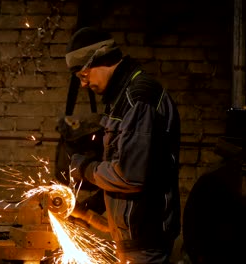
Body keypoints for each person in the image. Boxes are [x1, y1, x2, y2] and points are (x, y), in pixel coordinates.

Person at [65, 27, 181, 264]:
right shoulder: (120, 97)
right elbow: (125, 160)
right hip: (134, 237)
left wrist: (85, 168)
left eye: (84, 76)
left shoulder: (138, 99)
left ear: (100, 60)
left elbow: (130, 176)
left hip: (146, 239)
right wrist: (93, 206)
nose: (84, 84)